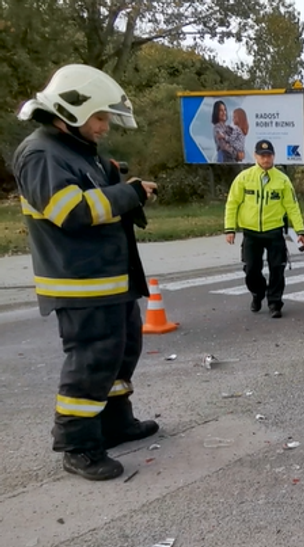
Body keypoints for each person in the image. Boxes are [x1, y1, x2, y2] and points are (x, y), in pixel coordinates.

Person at [12, 64, 160, 481]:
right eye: (98, 117)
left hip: (109, 279)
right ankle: (78, 445)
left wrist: (118, 183)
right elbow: (72, 211)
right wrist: (128, 193)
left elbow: (92, 194)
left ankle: (115, 422)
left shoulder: (74, 150)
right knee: (91, 360)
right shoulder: (40, 153)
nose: (104, 126)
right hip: (81, 283)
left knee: (120, 351)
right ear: (69, 112)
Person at [224, 139, 304, 318]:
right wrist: (229, 229)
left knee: (277, 269)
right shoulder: (244, 178)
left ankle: (275, 303)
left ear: (273, 156)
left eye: (269, 155)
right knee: (251, 270)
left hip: (274, 231)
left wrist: (300, 231)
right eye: (262, 156)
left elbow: (292, 207)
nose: (265, 159)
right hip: (251, 232)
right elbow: (232, 203)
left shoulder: (282, 180)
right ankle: (258, 293)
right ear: (255, 156)